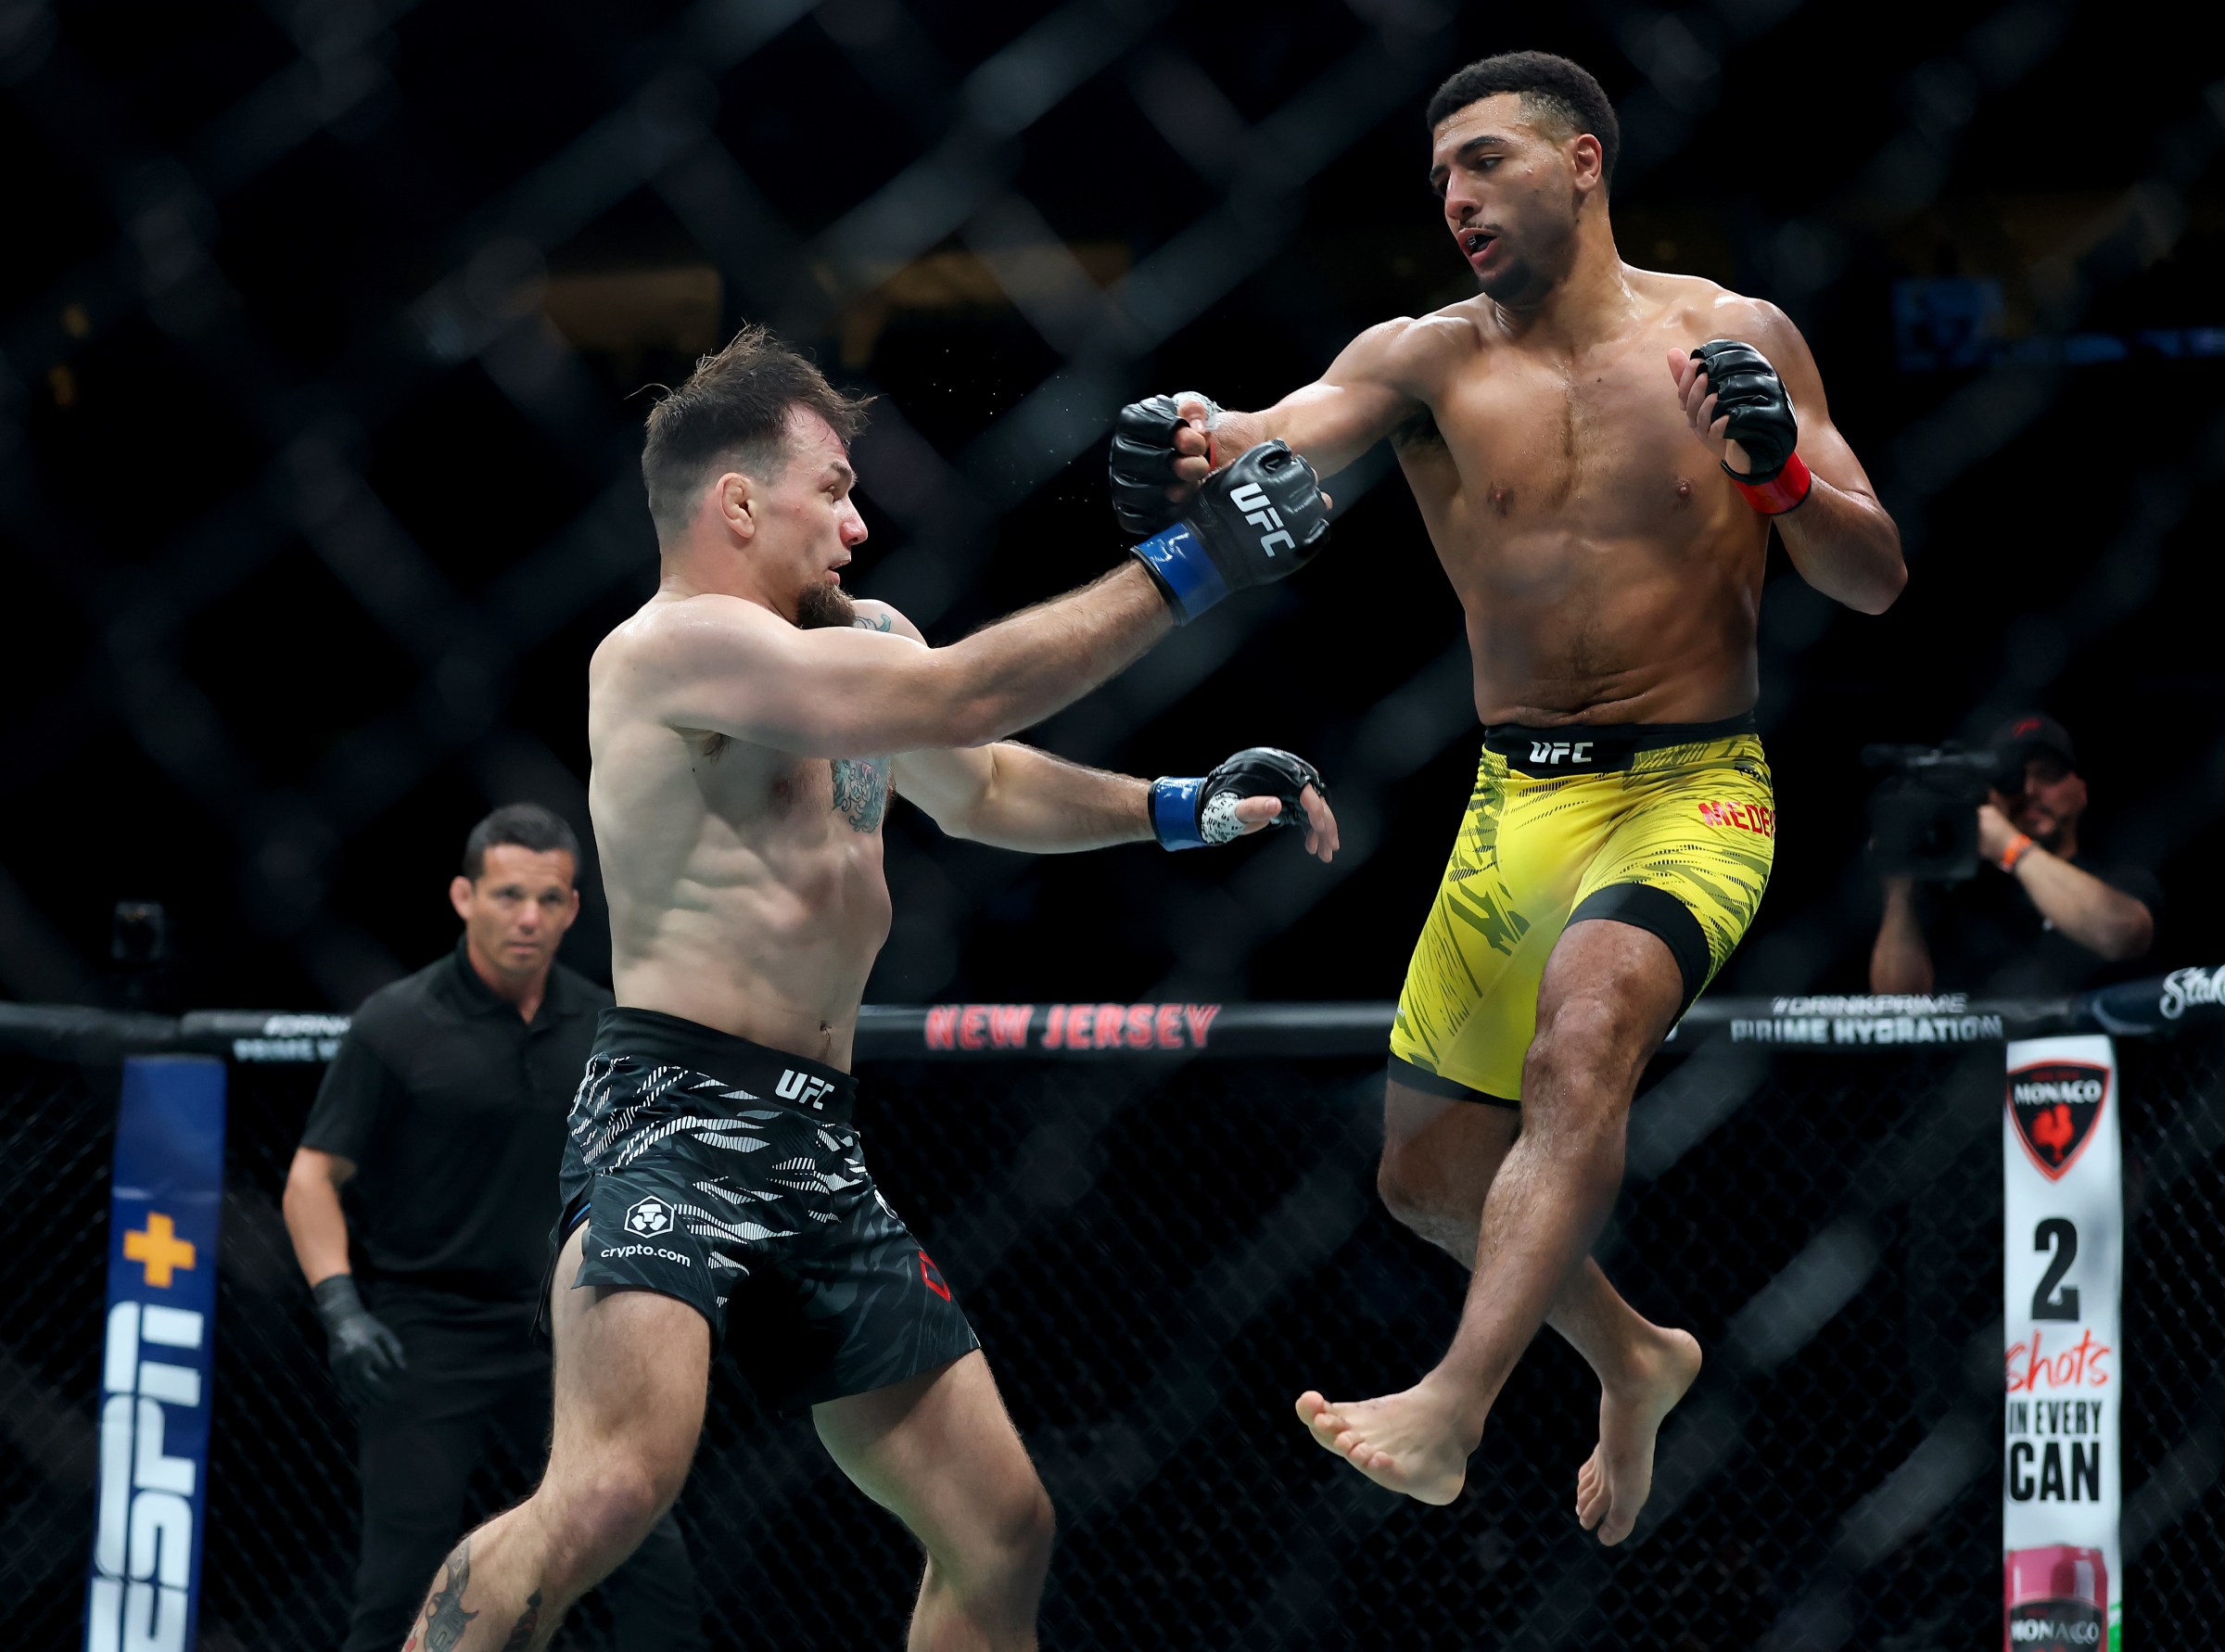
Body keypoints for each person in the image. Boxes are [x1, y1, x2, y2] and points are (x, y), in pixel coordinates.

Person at [397, 324, 1341, 1651]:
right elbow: (960, 698)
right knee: (612, 1484)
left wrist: (1178, 807)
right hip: (676, 1111)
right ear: (736, 501)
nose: (858, 519)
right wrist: (1194, 562)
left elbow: (987, 778)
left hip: (819, 1135)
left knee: (1002, 1525)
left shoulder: (866, 638)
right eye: (832, 488)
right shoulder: (670, 650)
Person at [1108, 51, 1906, 1537]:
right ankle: (1640, 1356)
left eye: (1486, 163)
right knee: (1422, 1175)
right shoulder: (1425, 361)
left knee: (1587, 1025)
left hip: (1693, 787)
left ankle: (1450, 1408)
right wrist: (1182, 445)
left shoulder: (1734, 335)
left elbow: (1873, 579)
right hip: (1514, 799)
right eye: (1442, 182)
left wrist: (1784, 473)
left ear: (1584, 159)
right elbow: (1260, 435)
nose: (1459, 200)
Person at [283, 804, 703, 1652]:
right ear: (463, 896)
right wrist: (341, 1310)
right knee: (400, 1577)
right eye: (509, 895)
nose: (528, 918)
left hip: (570, 1327)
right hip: (429, 1329)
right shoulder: (396, 1024)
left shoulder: (605, 1027)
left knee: (651, 1561)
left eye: (549, 900)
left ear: (575, 908)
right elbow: (310, 1179)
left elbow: (655, 1164)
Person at [1871, 713, 2157, 995]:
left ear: (2080, 791)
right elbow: (1899, 1002)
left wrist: (2012, 848)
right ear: (1992, 794)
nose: (2030, 790)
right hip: (1983, 1039)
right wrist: (1898, 890)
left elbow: (2121, 935)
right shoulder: (1959, 884)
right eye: (2013, 778)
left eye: (2048, 775)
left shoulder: (2115, 870)